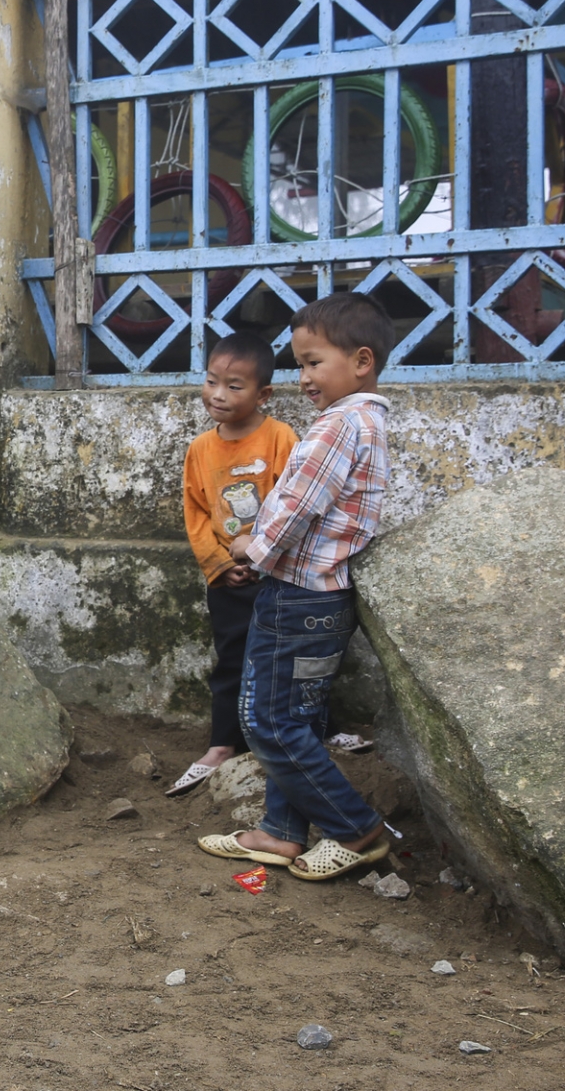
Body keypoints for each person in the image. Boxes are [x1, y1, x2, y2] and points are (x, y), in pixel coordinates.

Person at [197, 292, 396, 881]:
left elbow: (297, 504)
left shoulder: (340, 425)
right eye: (300, 363)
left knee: (268, 722)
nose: (303, 377)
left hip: (298, 596)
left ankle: (357, 829)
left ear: (361, 361)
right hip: (322, 597)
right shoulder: (367, 421)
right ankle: (281, 833)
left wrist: (251, 549)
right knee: (299, 718)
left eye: (313, 362)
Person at [166, 332, 296, 797]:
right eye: (211, 381)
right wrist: (218, 565)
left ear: (263, 394)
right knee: (231, 662)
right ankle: (222, 745)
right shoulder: (201, 449)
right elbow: (196, 511)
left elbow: (290, 504)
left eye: (234, 386)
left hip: (277, 575)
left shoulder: (280, 438)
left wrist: (260, 552)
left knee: (288, 661)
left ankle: (314, 735)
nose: (218, 395)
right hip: (228, 580)